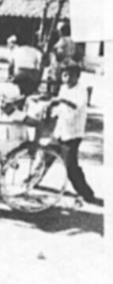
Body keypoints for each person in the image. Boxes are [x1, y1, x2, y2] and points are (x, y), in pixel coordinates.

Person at [48, 59, 100, 205]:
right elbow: (59, 108)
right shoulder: (63, 88)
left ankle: (87, 194)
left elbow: (76, 105)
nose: (68, 79)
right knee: (46, 157)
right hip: (60, 130)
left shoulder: (81, 90)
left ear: (78, 76)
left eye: (72, 76)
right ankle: (31, 180)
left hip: (73, 134)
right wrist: (52, 109)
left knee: (70, 166)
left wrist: (61, 100)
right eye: (65, 75)